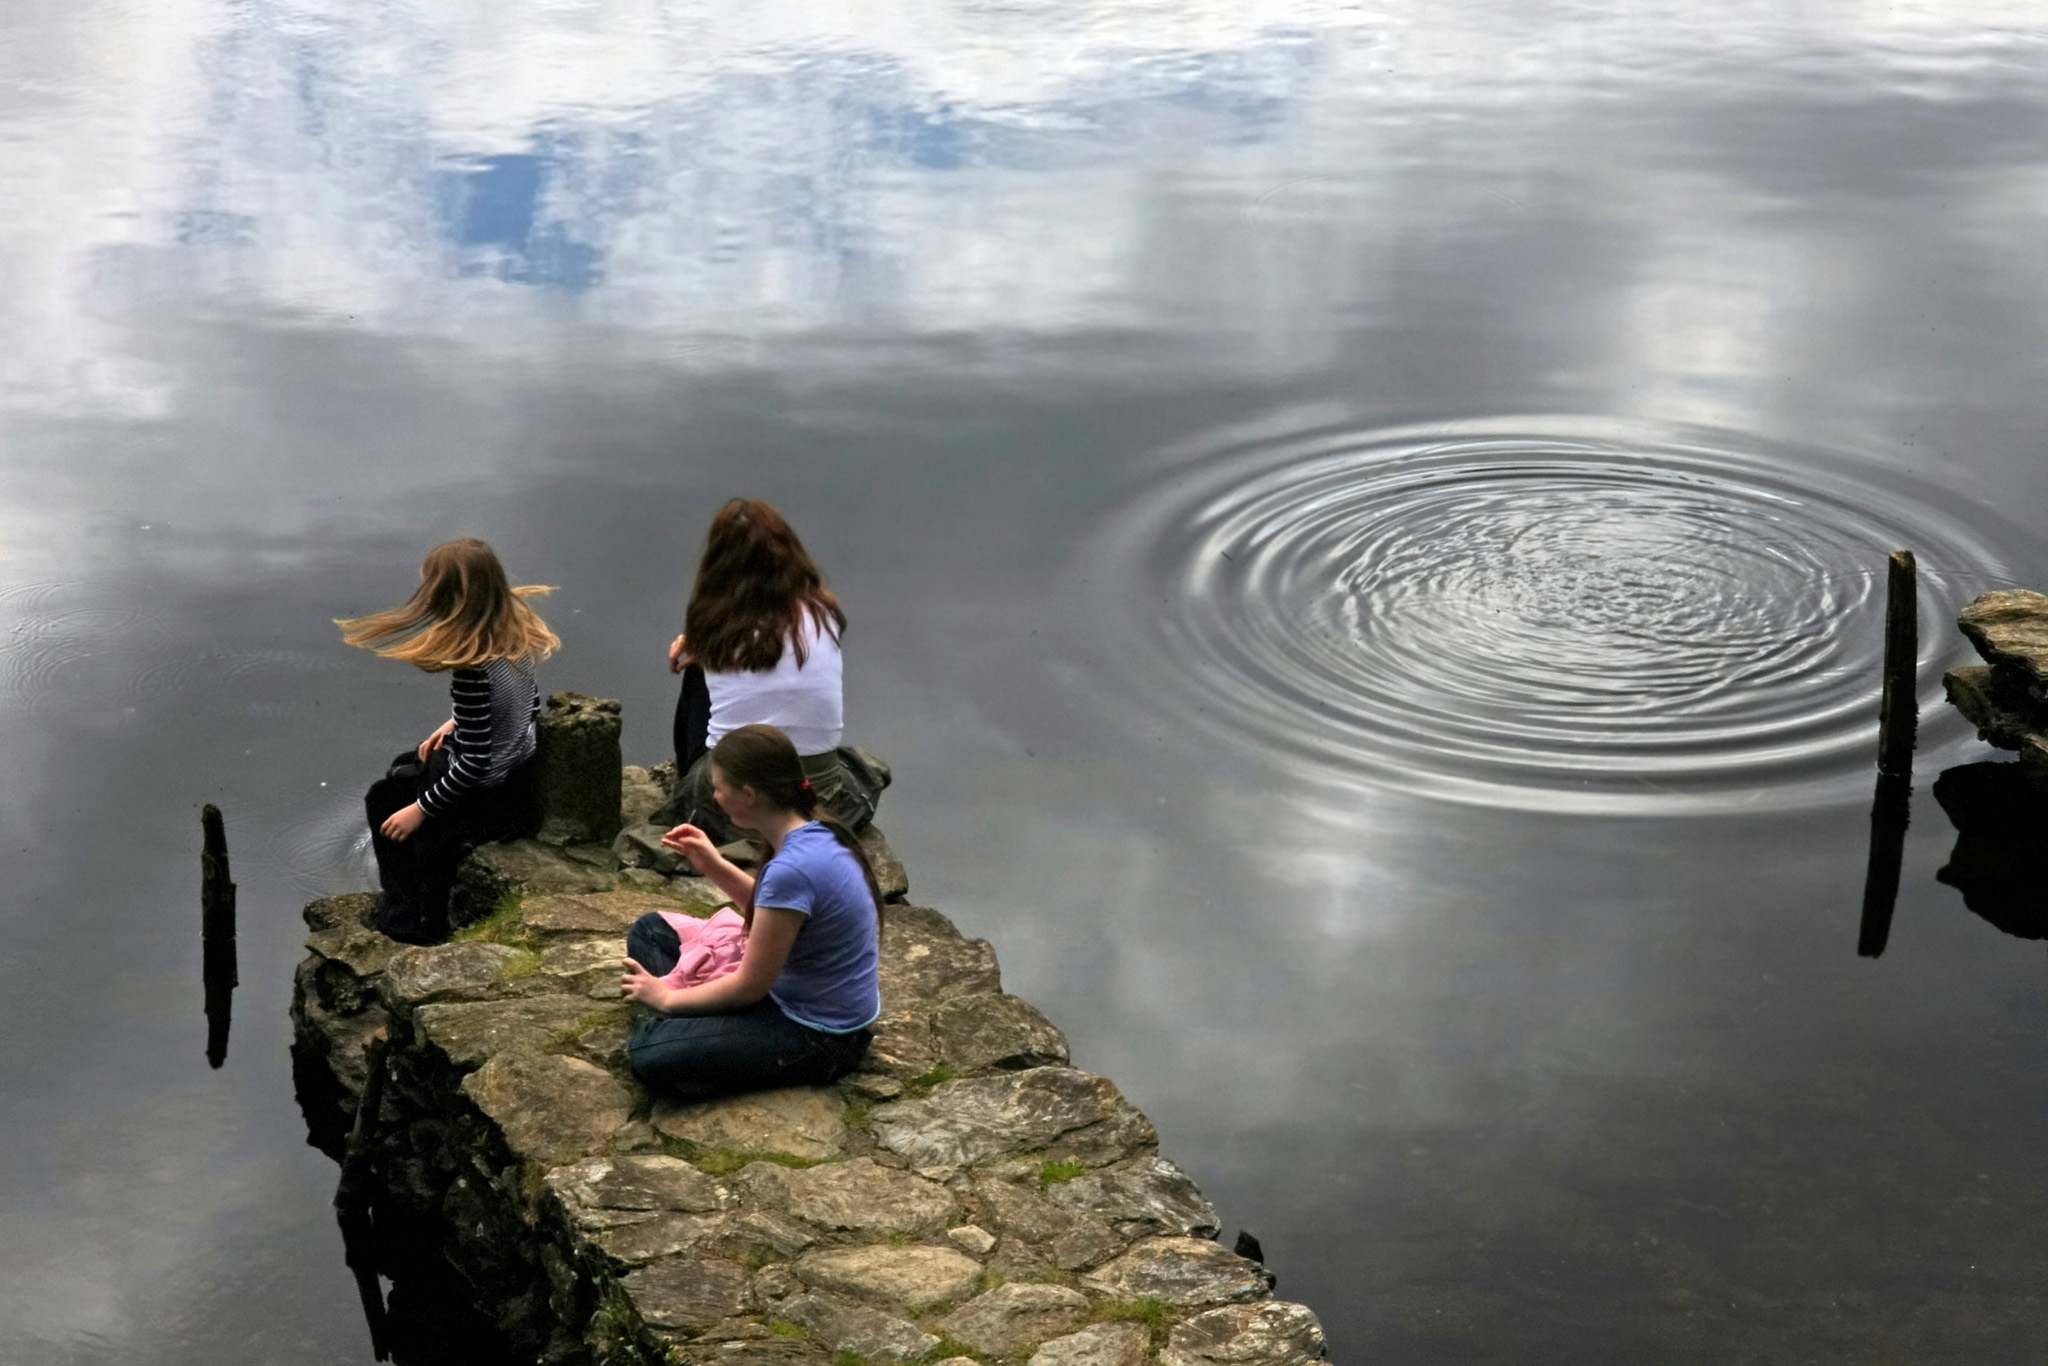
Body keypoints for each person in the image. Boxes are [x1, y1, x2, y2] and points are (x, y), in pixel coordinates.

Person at [621, 724, 880, 1096]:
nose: (715, 796)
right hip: (789, 991)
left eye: (718, 787)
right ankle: (686, 1021)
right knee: (650, 930)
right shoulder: (816, 829)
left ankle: (672, 1020)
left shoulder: (792, 869)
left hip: (820, 1035)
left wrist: (667, 998)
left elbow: (750, 987)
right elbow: (774, 915)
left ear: (747, 794)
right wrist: (713, 864)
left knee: (647, 1052)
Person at [338, 539, 556, 945]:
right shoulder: (516, 639)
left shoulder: (473, 669)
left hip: (485, 793)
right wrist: (457, 723)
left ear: (450, 598)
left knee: (385, 803)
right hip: (517, 777)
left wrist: (419, 810)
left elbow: (473, 765)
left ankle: (411, 918)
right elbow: (530, 707)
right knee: (405, 767)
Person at [654, 498, 887, 848]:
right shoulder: (824, 612)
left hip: (731, 808)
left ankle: (688, 783)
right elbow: (773, 639)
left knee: (697, 675)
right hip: (818, 798)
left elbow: (747, 635)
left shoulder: (712, 623)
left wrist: (698, 643)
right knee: (858, 766)